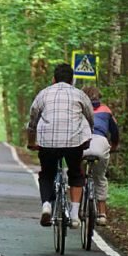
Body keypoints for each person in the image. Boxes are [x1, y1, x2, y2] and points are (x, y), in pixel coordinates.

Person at [27, 63, 94, 228]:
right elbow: (90, 117)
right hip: (74, 142)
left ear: (53, 79)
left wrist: (31, 142)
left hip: (47, 143)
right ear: (72, 80)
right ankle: (74, 215)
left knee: (47, 174)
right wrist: (88, 136)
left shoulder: (43, 94)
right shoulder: (80, 94)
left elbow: (33, 120)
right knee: (76, 173)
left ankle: (46, 206)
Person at [82, 86, 119, 226]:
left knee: (77, 174)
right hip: (101, 143)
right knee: (100, 177)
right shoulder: (106, 110)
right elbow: (115, 132)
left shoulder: (79, 109)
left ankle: (77, 207)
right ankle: (102, 214)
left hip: (83, 142)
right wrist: (114, 146)